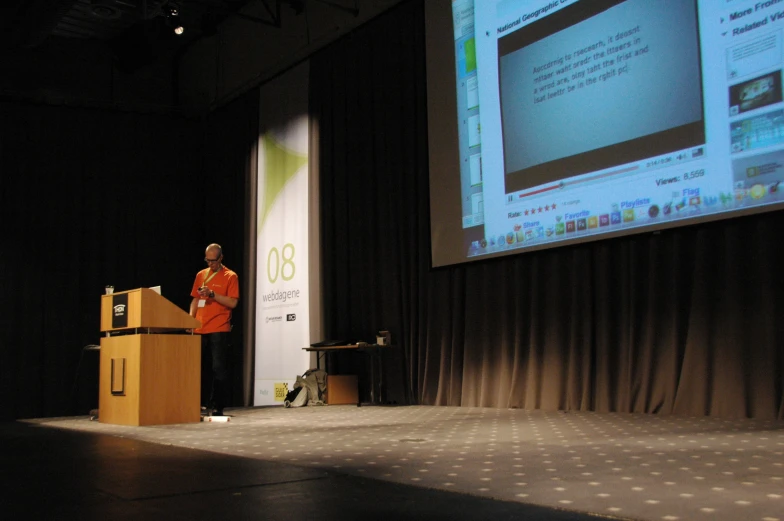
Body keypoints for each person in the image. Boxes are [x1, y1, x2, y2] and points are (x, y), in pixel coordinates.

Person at [190, 243, 239, 416]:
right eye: (207, 260)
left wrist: (213, 294)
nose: (210, 264)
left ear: (221, 258)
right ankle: (199, 404)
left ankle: (218, 406)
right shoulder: (200, 275)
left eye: (213, 261)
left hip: (219, 328)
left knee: (218, 369)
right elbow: (195, 300)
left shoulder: (230, 276)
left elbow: (233, 302)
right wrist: (190, 320)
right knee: (198, 369)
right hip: (199, 329)